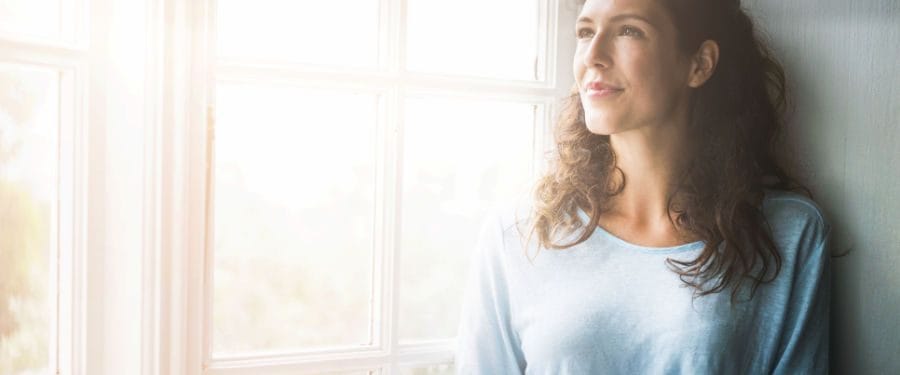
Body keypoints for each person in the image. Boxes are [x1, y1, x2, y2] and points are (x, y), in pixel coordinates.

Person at [455, 0, 831, 374]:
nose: (593, 56)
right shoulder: (517, 235)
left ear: (699, 64)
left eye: (628, 30)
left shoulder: (787, 233)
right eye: (586, 32)